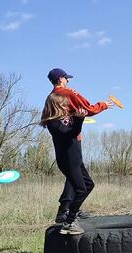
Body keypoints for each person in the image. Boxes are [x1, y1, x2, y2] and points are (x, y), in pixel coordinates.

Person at [47, 68, 114, 223]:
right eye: (66, 78)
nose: (68, 80)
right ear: (61, 79)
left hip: (64, 141)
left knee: (74, 177)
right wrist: (103, 105)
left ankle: (66, 210)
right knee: (81, 184)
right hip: (71, 142)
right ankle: (68, 216)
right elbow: (88, 108)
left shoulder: (50, 98)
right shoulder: (68, 93)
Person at [40, 93, 90, 235]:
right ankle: (69, 222)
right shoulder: (53, 123)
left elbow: (74, 129)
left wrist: (79, 116)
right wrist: (79, 120)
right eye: (63, 104)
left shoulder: (66, 118)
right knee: (81, 190)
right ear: (56, 105)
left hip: (76, 159)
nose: (66, 106)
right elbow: (69, 133)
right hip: (68, 161)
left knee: (89, 185)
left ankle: (70, 218)